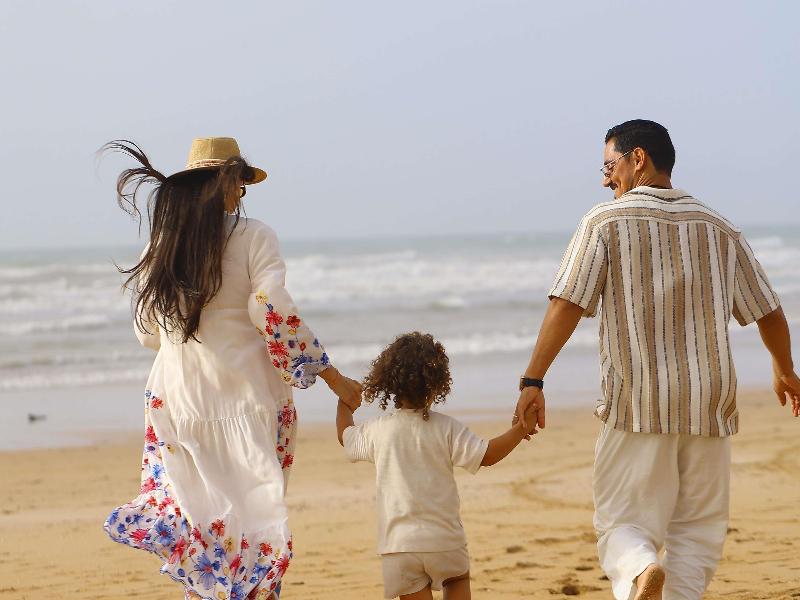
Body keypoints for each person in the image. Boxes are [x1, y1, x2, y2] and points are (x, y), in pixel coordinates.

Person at [513, 120, 800, 599]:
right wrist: (785, 369)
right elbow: (768, 310)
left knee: (621, 522)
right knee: (698, 531)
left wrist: (533, 380)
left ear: (638, 158)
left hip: (637, 400)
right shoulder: (718, 226)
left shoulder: (605, 222)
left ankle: (640, 568)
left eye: (609, 167)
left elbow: (567, 303)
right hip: (708, 402)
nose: (606, 180)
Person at [101, 137, 362, 600]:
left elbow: (147, 333)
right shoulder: (255, 235)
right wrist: (332, 377)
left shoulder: (161, 245)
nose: (241, 194)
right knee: (255, 533)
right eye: (239, 183)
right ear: (225, 182)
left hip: (177, 402)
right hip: (249, 398)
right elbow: (270, 309)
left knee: (203, 532)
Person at [337, 332, 537, 600]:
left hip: (399, 547)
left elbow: (346, 437)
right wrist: (519, 430)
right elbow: (486, 455)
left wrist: (344, 403)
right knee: (457, 580)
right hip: (445, 541)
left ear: (389, 382)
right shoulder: (446, 428)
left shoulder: (377, 431)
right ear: (436, 384)